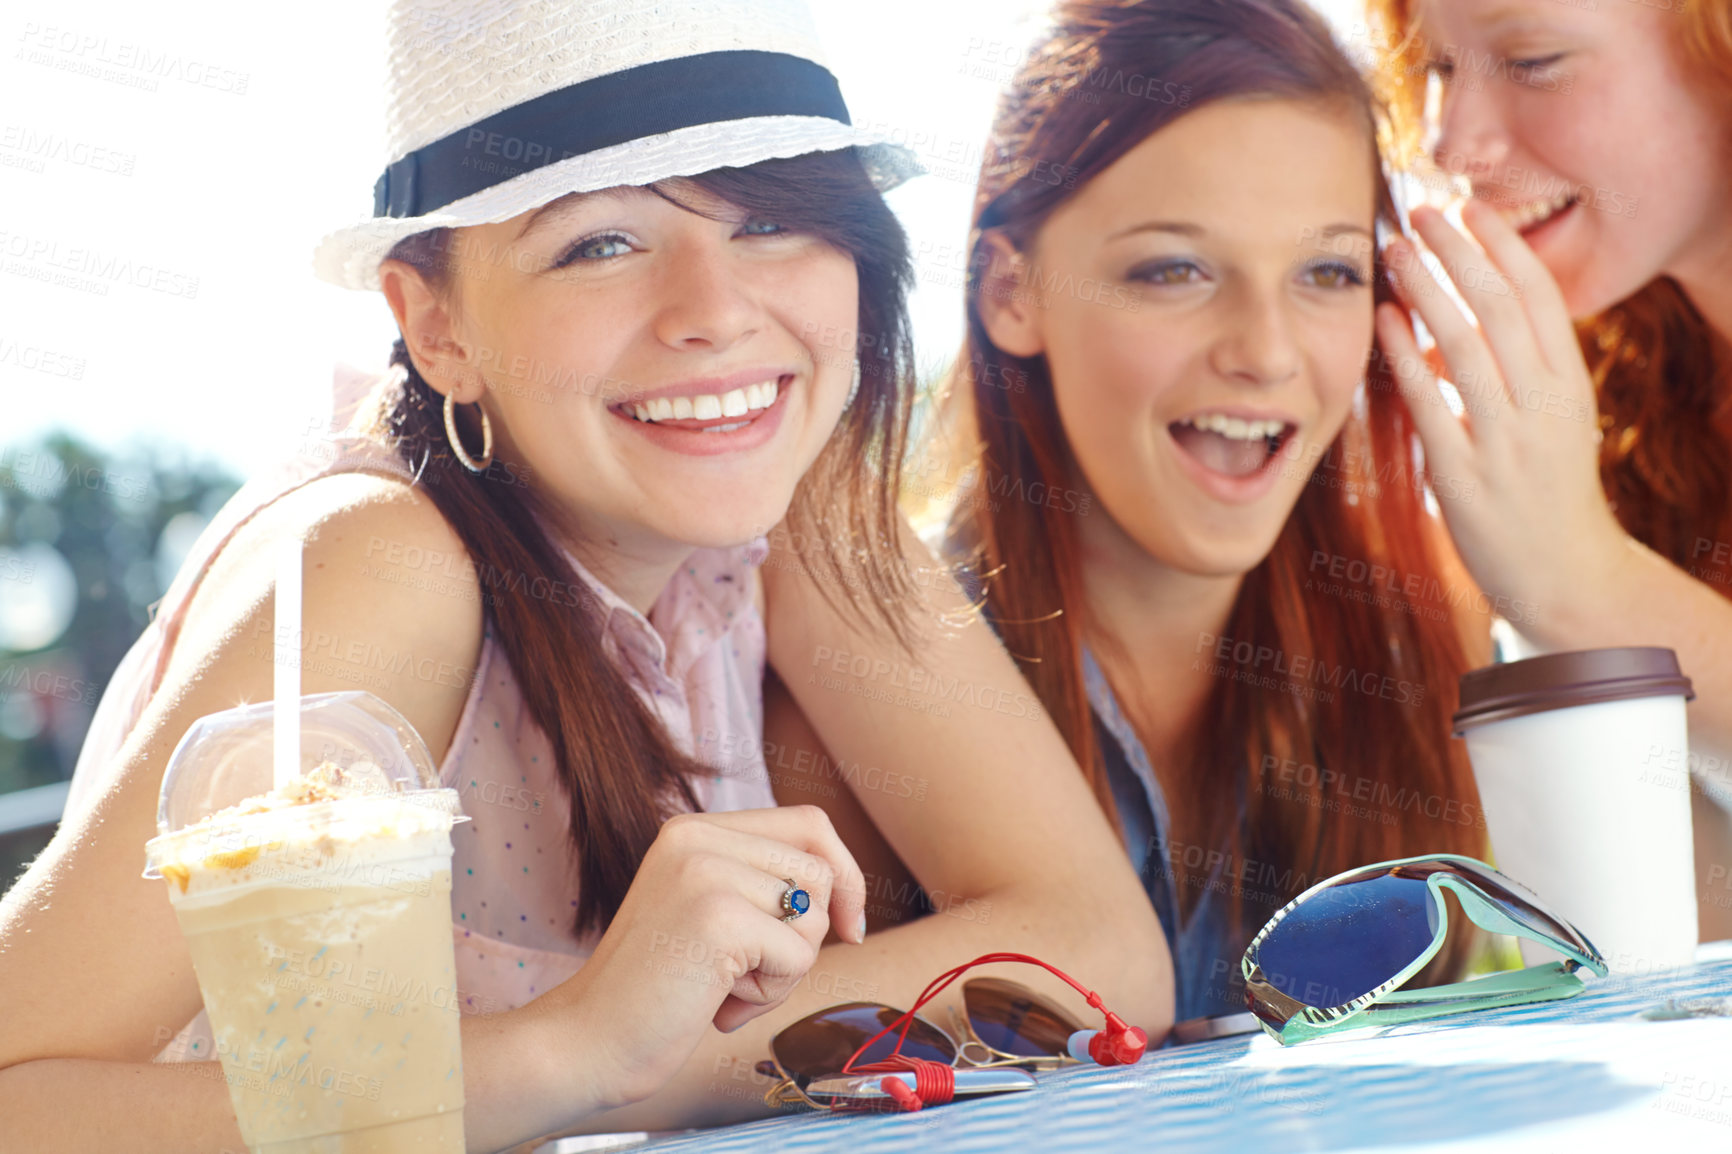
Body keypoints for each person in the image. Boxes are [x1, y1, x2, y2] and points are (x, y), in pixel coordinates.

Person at [0, 2, 1169, 1150]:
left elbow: (1100, 951)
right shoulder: (384, 562)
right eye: (599, 241)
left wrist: (643, 1058)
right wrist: (581, 1048)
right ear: (435, 321)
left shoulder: (782, 513)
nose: (714, 312)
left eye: (772, 219)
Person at [769, 0, 1493, 1022]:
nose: (1267, 350)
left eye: (1326, 271)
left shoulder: (1419, 650)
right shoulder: (849, 698)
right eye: (1175, 270)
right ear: (1010, 292)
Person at [1364, 0, 1732, 935]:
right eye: (1439, 69)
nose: (1453, 145)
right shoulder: (1598, 395)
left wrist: (1582, 583)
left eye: (1531, 60)